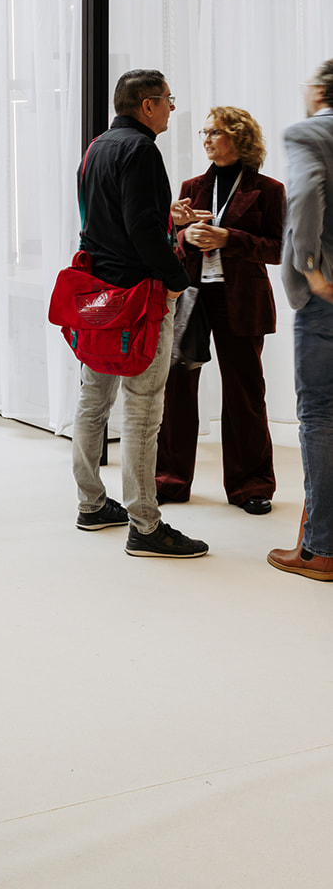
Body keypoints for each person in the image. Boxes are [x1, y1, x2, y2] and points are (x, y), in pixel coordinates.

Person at [70, 70, 211, 558]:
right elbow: (140, 229)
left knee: (93, 401)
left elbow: (106, 219)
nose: (172, 107)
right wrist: (176, 278)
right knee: (143, 409)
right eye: (168, 99)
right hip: (139, 298)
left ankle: (91, 505)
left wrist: (163, 216)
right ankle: (145, 526)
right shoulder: (142, 150)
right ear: (147, 105)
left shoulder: (97, 147)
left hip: (98, 296)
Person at [156, 107, 284, 513]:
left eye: (215, 132)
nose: (207, 139)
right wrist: (184, 235)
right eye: (205, 132)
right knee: (177, 390)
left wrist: (229, 238)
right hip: (193, 298)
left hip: (242, 301)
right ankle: (169, 480)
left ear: (239, 137)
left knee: (245, 392)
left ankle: (252, 485)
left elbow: (277, 249)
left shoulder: (269, 189)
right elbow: (171, 245)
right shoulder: (191, 187)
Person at [269, 63, 333, 580]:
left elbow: (307, 195)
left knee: (319, 414)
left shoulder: (308, 132)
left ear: (319, 91)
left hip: (327, 296)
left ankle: (320, 549)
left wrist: (311, 269)